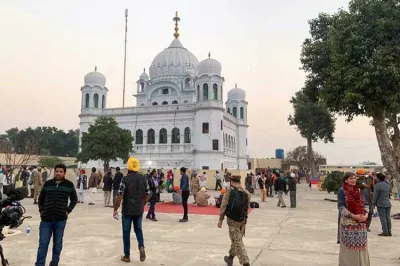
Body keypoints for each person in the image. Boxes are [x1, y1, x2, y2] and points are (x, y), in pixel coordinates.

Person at [35, 163, 78, 266]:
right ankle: (40, 264)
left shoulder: (69, 185)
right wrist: (42, 211)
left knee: (57, 244)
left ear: (64, 173)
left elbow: (74, 199)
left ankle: (54, 263)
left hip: (60, 219)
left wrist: (68, 210)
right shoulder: (48, 184)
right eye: (57, 171)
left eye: (61, 172)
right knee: (43, 244)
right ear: (54, 172)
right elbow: (41, 199)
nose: (58, 173)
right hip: (46, 219)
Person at [113, 157, 147, 263]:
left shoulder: (125, 179)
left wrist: (115, 208)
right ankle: (141, 246)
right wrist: (142, 204)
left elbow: (120, 195)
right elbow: (147, 194)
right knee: (138, 229)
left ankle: (127, 256)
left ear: (128, 167)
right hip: (139, 210)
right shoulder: (143, 178)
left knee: (126, 232)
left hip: (127, 210)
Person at [337, 172, 370, 266]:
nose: (353, 180)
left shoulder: (358, 190)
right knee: (349, 248)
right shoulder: (342, 190)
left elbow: (366, 203)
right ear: (346, 180)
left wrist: (366, 215)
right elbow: (341, 207)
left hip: (361, 222)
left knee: (361, 246)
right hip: (349, 223)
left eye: (354, 178)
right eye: (351, 178)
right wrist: (353, 216)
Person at [218, 175, 251, 266]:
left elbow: (223, 205)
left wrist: (220, 219)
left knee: (237, 242)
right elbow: (247, 207)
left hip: (232, 220)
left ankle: (246, 263)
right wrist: (245, 218)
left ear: (232, 182)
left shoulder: (229, 190)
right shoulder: (246, 192)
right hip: (242, 220)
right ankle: (230, 258)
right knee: (236, 239)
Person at [373, 172, 392, 237]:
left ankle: (385, 232)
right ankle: (389, 231)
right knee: (388, 218)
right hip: (388, 203)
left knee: (383, 218)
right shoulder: (387, 184)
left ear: (378, 178)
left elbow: (375, 195)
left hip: (381, 204)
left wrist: (373, 203)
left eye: (376, 177)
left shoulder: (377, 185)